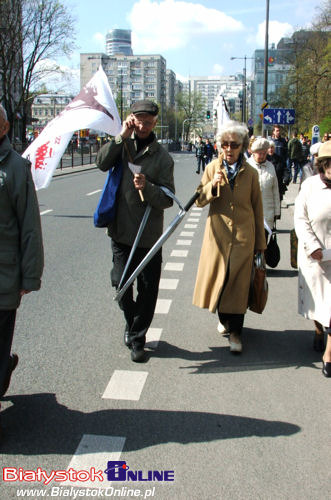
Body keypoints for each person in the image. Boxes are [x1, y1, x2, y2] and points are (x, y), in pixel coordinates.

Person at [96, 100, 175, 362]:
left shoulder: (162, 157)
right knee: (121, 283)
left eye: (149, 122)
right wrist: (121, 136)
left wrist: (148, 187)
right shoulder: (123, 144)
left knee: (148, 289)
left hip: (148, 236)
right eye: (138, 120)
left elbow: (167, 199)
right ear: (131, 119)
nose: (143, 126)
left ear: (155, 123)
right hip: (120, 230)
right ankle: (132, 325)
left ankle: (138, 338)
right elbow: (101, 163)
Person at [193, 121, 266, 354]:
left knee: (239, 285)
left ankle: (236, 333)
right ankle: (225, 320)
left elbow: (257, 209)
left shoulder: (251, 173)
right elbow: (198, 200)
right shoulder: (212, 168)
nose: (228, 149)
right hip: (218, 238)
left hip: (244, 237)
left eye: (233, 144)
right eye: (224, 144)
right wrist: (212, 187)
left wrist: (260, 245)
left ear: (243, 146)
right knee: (222, 284)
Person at [0, 104, 44, 438]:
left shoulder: (15, 168)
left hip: (3, 276)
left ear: (3, 128)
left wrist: (29, 276)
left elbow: (30, 226)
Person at [294, 141, 331, 377]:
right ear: (324, 164)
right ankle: (318, 328)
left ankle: (329, 354)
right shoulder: (309, 187)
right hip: (316, 257)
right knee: (319, 305)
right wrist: (312, 246)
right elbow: (300, 219)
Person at [248, 138, 281, 236]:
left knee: (264, 246)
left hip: (267, 215)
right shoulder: (247, 166)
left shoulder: (270, 166)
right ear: (253, 153)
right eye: (259, 153)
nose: (262, 156)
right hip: (250, 215)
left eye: (264, 153)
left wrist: (276, 211)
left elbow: (275, 190)